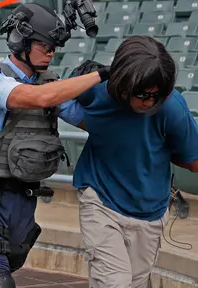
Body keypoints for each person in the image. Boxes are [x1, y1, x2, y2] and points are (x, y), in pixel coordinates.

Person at [0, 3, 109, 288]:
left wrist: (108, 93)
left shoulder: (50, 84)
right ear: (21, 41)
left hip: (24, 201)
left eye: (54, 48)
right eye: (45, 46)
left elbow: (89, 121)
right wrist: (97, 76)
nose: (51, 53)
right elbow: (37, 98)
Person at [65, 35, 198, 288]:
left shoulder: (171, 107)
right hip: (100, 198)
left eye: (155, 95)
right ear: (122, 85)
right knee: (114, 282)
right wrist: (92, 124)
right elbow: (57, 99)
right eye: (142, 95)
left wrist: (159, 150)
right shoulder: (96, 91)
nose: (149, 102)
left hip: (150, 210)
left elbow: (195, 161)